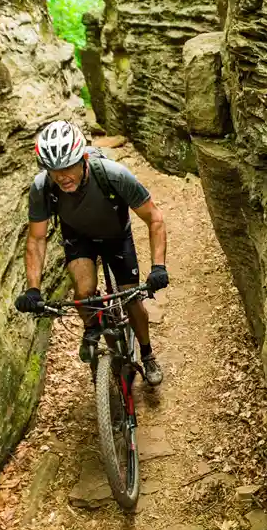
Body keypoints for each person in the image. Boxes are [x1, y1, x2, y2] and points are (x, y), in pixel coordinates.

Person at [15, 120, 167, 386]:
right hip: (79, 238)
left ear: (83, 158)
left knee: (131, 298)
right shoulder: (42, 188)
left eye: (67, 167)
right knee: (84, 293)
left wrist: (158, 267)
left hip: (116, 236)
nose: (61, 176)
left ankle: (147, 353)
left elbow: (154, 218)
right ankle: (92, 328)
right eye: (53, 170)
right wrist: (33, 289)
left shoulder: (113, 174)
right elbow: (37, 239)